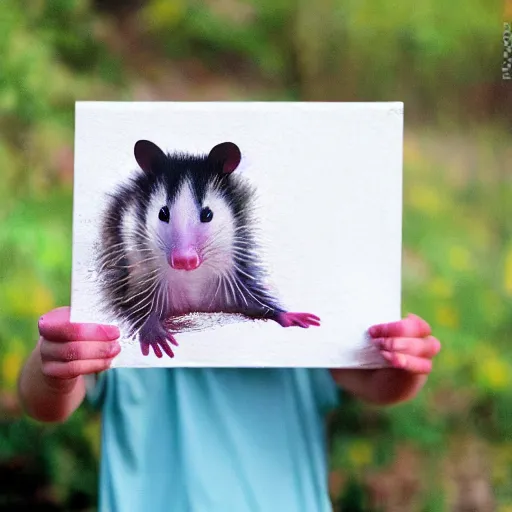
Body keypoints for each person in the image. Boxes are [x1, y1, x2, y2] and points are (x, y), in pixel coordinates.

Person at [18, 306, 441, 512]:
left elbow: (378, 382)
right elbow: (44, 402)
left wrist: (404, 360)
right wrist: (55, 362)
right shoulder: (123, 317)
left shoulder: (302, 320)